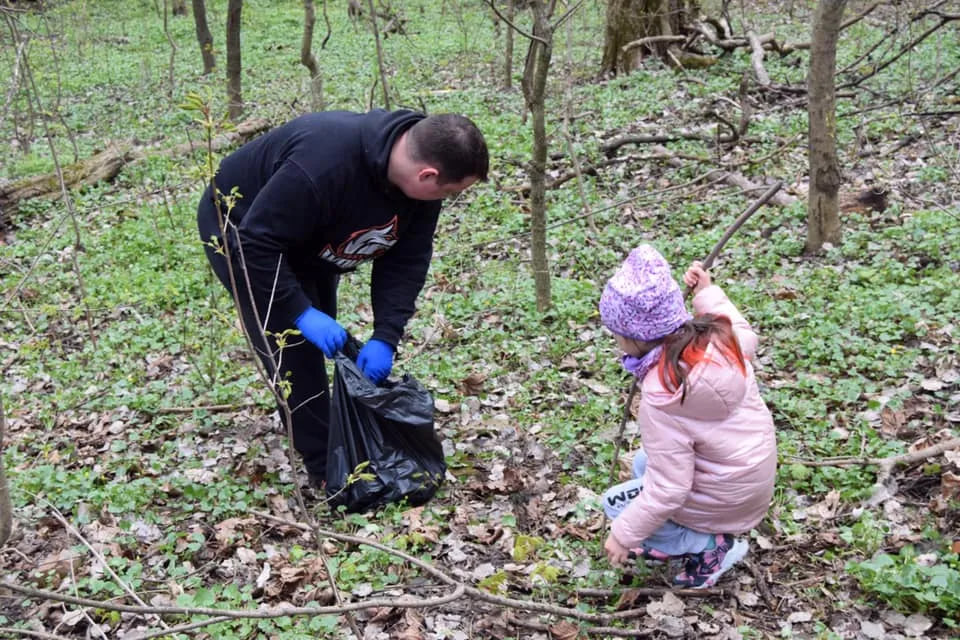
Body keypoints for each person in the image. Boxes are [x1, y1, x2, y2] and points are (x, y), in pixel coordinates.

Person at [197, 109, 488, 486]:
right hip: (243, 230)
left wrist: (386, 335)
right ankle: (328, 471)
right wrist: (301, 312)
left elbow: (406, 261)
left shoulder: (421, 190)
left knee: (325, 344)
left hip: (310, 240)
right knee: (294, 347)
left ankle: (336, 436)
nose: (448, 199)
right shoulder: (323, 165)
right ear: (427, 175)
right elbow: (255, 245)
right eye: (451, 192)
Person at [597, 245, 776, 589]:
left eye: (617, 334)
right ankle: (698, 533)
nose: (616, 341)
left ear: (635, 338)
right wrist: (707, 292)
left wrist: (623, 535)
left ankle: (713, 547)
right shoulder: (721, 339)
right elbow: (740, 324)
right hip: (746, 480)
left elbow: (669, 491)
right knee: (644, 463)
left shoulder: (664, 395)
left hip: (725, 499)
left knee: (619, 508)